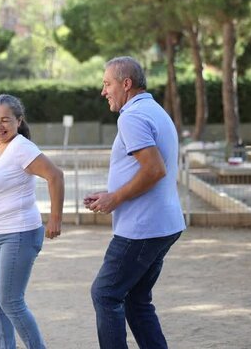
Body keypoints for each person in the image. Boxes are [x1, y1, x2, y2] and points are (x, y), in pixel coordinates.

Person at [84, 56, 186, 349]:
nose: (103, 91)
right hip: (163, 223)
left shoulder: (131, 116)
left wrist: (115, 198)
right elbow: (144, 169)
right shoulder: (153, 110)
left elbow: (154, 169)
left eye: (107, 84)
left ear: (125, 84)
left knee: (105, 294)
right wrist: (109, 194)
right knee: (136, 300)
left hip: (142, 228)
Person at [0, 94, 64, 349]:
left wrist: (54, 219)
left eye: (5, 120)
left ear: (18, 121)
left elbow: (55, 176)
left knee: (10, 301)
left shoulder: (22, 147)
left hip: (20, 233)